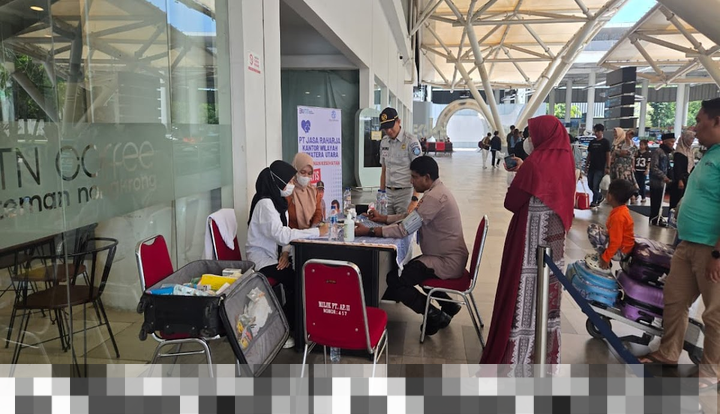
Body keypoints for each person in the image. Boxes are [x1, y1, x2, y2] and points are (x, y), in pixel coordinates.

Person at [480, 115, 575, 375]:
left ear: (543, 136)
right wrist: (526, 168)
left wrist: (523, 171)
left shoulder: (536, 163)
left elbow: (511, 202)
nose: (529, 139)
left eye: (532, 135)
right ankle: (541, 355)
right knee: (546, 299)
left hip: (529, 242)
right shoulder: (565, 160)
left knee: (522, 292)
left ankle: (517, 355)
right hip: (554, 244)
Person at [638, 98, 720, 391]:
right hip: (688, 243)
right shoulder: (710, 153)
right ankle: (669, 352)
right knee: (674, 299)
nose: (694, 128)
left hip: (711, 249)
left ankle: (711, 371)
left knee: (714, 313)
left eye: (700, 121)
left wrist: (718, 253)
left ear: (717, 121)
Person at [356, 156, 468, 335]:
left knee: (396, 281)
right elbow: (411, 216)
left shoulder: (435, 198)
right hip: (444, 257)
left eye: (414, 177)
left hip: (447, 262)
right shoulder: (436, 191)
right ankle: (449, 306)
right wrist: (383, 218)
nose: (411, 181)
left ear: (427, 177)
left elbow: (404, 229)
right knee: (412, 271)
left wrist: (370, 231)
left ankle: (433, 315)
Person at [246, 160, 329, 348]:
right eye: (290, 181)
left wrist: (285, 253)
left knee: (302, 276)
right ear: (279, 181)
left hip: (275, 256)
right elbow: (282, 234)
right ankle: (279, 330)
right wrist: (317, 232)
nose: (292, 184)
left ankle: (292, 325)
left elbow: (283, 232)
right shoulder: (265, 204)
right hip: (261, 260)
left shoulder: (277, 201)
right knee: (300, 282)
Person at [378, 107, 422, 215]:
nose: (388, 131)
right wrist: (381, 193)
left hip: (405, 194)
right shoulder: (384, 142)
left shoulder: (411, 142)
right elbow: (384, 170)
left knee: (403, 224)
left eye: (390, 127)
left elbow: (420, 172)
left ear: (398, 121)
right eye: (385, 128)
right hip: (387, 194)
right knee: (385, 223)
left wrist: (414, 200)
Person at [587, 179, 636, 270]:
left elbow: (616, 241)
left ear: (610, 196)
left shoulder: (618, 216)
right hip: (624, 247)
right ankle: (605, 254)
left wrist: (606, 258)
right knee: (595, 228)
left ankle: (603, 257)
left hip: (622, 252)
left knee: (593, 231)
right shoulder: (621, 210)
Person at [287, 153, 323, 230]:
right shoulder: (288, 191)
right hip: (292, 234)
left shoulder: (314, 191)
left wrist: (313, 228)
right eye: (303, 172)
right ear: (295, 170)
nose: (306, 176)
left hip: (311, 234)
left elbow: (318, 212)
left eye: (309, 173)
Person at [649, 133, 675, 227]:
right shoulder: (658, 152)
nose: (673, 144)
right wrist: (663, 176)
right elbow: (654, 167)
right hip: (656, 182)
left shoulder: (667, 153)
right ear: (665, 141)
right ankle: (654, 218)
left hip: (662, 182)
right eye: (671, 141)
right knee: (655, 202)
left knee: (660, 201)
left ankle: (658, 218)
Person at [585, 124, 611, 207]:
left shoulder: (605, 142)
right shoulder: (592, 142)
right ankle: (599, 196)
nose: (596, 133)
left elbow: (608, 155)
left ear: (602, 132)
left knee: (595, 185)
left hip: (600, 167)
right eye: (595, 131)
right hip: (592, 166)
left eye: (598, 131)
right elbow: (589, 154)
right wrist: (586, 165)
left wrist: (608, 166)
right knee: (590, 184)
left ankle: (594, 201)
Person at [609, 127, 638, 202]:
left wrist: (617, 152)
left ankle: (630, 197)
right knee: (617, 184)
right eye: (614, 132)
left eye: (616, 132)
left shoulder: (626, 142)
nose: (614, 134)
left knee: (624, 183)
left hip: (623, 168)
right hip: (615, 167)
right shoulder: (615, 142)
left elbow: (628, 153)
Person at [669, 130, 696, 210]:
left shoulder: (690, 151)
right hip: (680, 180)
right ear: (685, 139)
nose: (691, 141)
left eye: (693, 139)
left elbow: (691, 165)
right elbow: (678, 167)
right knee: (677, 200)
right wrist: (680, 180)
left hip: (687, 178)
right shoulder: (679, 152)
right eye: (690, 139)